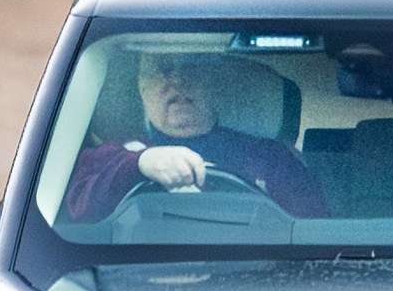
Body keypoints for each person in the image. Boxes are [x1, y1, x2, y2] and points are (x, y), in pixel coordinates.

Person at [65, 53, 327, 221]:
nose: (178, 81)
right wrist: (140, 164)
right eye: (162, 69)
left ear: (215, 85)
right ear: (142, 88)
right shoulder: (111, 156)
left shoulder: (272, 160)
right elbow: (77, 215)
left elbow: (310, 231)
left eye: (193, 68)